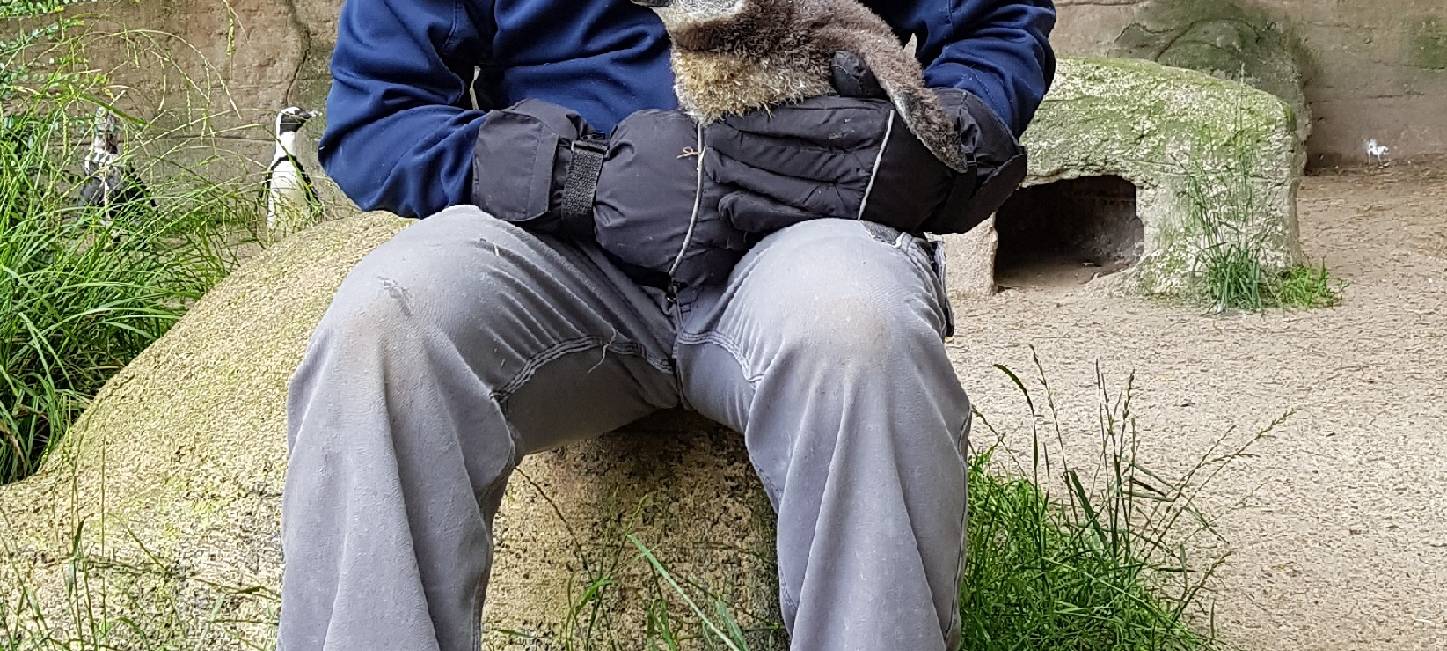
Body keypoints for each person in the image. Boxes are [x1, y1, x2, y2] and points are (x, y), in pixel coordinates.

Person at [278, 1, 1055, 649]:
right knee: (384, 326)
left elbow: (994, 22)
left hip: (805, 219)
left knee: (861, 329)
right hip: (558, 241)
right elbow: (377, 117)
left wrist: (953, 124)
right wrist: (574, 176)